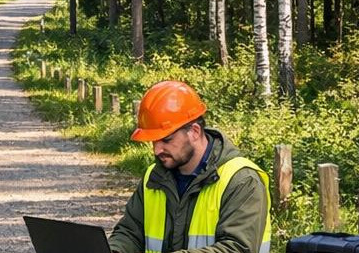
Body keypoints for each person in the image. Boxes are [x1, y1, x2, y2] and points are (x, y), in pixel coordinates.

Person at [108, 81, 273, 253]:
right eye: (153, 141)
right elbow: (130, 232)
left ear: (194, 131)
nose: (157, 150)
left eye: (166, 140)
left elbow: (237, 248)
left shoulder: (242, 181)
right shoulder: (154, 176)